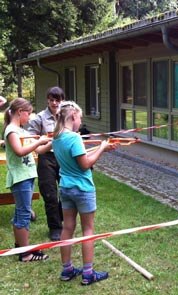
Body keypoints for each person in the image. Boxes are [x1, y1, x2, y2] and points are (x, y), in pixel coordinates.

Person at [52, 101, 118, 285]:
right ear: (73, 116)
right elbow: (85, 164)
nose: (80, 121)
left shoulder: (56, 138)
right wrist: (102, 148)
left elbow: (79, 158)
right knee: (88, 229)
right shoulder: (74, 137)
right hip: (82, 189)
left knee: (67, 228)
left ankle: (67, 270)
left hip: (65, 188)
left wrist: (101, 148)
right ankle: (88, 274)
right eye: (80, 117)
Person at [3, 98, 51, 262]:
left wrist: (51, 141)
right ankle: (26, 254)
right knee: (23, 214)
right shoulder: (12, 131)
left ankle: (21, 246)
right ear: (19, 112)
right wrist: (39, 140)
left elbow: (40, 149)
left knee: (20, 213)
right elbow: (19, 151)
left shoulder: (22, 130)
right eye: (28, 113)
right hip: (20, 177)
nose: (29, 117)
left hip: (27, 176)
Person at [27, 86, 65, 241]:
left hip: (63, 157)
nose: (55, 103)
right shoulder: (39, 118)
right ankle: (55, 227)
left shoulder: (65, 116)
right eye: (52, 100)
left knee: (66, 191)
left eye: (58, 100)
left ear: (62, 100)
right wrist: (42, 140)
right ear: (48, 100)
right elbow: (29, 137)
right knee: (49, 194)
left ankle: (62, 219)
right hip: (46, 158)